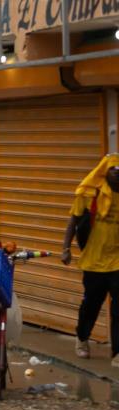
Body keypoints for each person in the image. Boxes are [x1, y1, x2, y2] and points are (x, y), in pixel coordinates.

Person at [62, 154, 119, 367]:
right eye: (114, 169)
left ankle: (117, 352)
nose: (117, 174)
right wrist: (66, 248)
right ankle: (83, 338)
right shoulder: (89, 193)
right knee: (91, 305)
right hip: (94, 261)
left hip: (117, 261)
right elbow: (73, 221)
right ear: (106, 171)